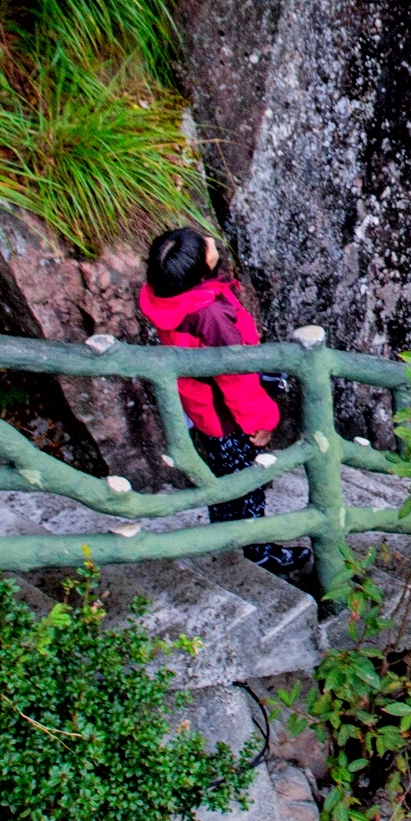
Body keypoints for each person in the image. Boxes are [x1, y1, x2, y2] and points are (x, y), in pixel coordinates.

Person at [138, 227, 311, 586]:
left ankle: (223, 536)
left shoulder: (169, 296)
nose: (212, 243)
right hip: (229, 417)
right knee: (247, 482)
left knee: (221, 477)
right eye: (206, 247)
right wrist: (261, 421)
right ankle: (256, 549)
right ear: (200, 272)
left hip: (202, 408)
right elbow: (236, 380)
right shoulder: (210, 316)